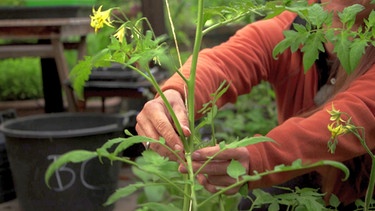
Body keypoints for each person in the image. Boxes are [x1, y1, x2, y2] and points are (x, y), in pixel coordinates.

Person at [135, 0, 375, 209]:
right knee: (257, 202)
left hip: (365, 195)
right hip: (307, 183)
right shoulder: (297, 24)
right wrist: (174, 95)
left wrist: (259, 157)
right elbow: (228, 60)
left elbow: (356, 112)